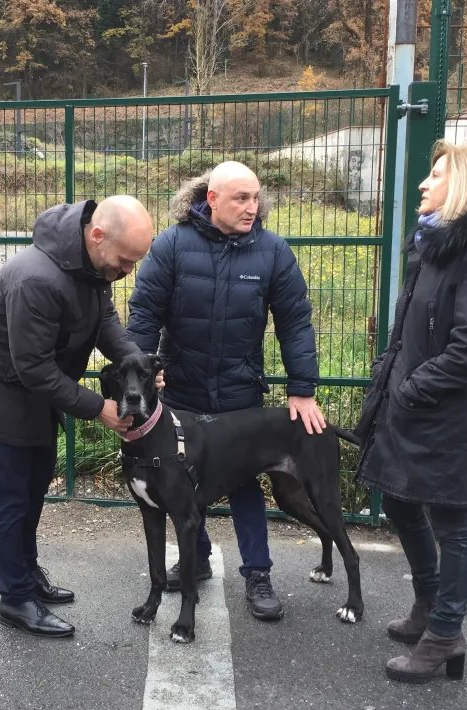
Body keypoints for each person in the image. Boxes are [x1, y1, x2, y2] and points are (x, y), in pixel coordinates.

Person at [354, 140, 467, 683]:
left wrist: (415, 387)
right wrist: (393, 377)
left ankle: (447, 632)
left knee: (452, 522)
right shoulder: (433, 244)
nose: (424, 183)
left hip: (445, 411)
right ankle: (428, 604)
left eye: (437, 174)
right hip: (410, 403)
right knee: (399, 503)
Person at [126, 161, 326, 622]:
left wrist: (302, 388)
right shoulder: (172, 245)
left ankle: (258, 573)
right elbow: (144, 314)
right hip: (182, 389)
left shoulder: (272, 251)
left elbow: (295, 321)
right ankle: (195, 561)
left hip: (240, 391)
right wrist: (142, 371)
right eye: (241, 198)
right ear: (211, 199)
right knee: (180, 479)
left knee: (244, 483)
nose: (253, 207)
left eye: (256, 197)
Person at [0, 195, 160, 638]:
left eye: (135, 262)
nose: (128, 271)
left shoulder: (93, 267)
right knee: (10, 503)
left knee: (32, 494)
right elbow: (32, 367)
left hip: (38, 397)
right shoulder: (37, 278)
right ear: (97, 235)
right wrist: (99, 408)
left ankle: (27, 574)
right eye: (125, 261)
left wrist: (137, 363)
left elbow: (105, 322)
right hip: (2, 399)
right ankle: (15, 598)